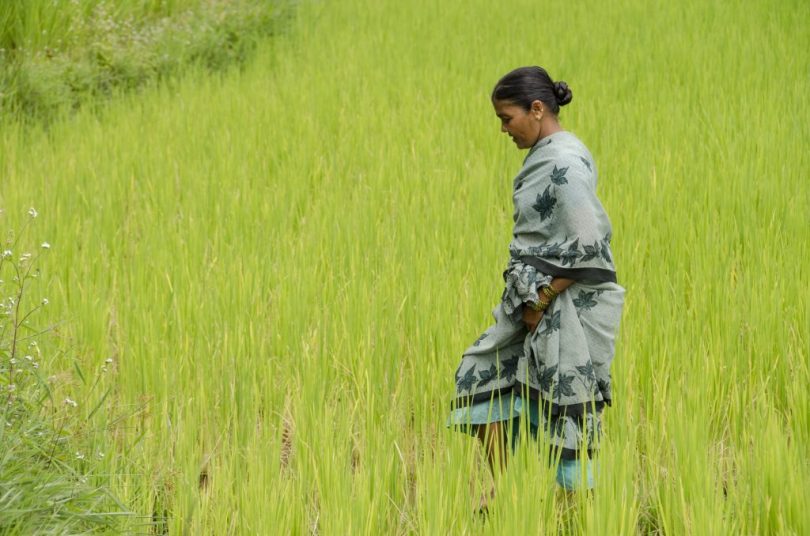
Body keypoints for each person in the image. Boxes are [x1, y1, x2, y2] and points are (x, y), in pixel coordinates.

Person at [447, 66, 625, 509]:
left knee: (564, 401)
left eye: (507, 118)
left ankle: (577, 510)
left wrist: (542, 300)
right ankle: (505, 490)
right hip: (531, 301)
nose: (504, 129)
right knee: (477, 376)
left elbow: (590, 246)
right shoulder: (551, 153)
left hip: (563, 301)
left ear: (537, 109)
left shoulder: (562, 163)